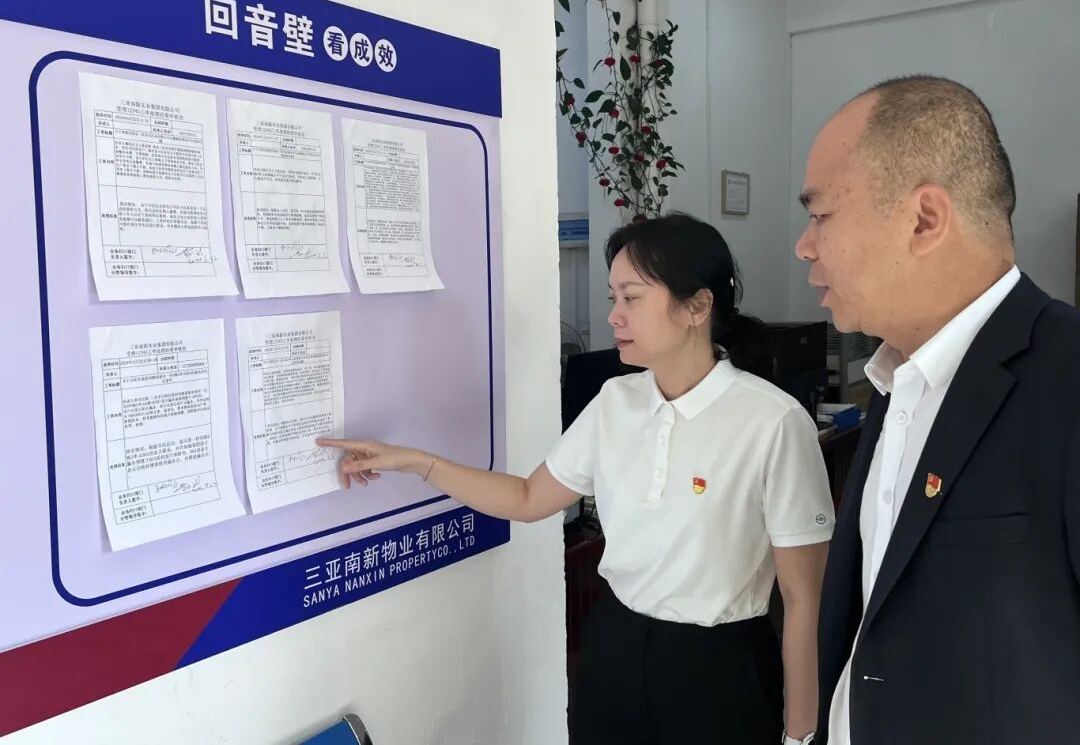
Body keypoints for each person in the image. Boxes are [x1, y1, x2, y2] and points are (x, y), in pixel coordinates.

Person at [320, 212, 834, 745]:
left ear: (696, 307)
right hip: (614, 650)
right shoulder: (616, 401)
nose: (614, 315)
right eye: (613, 297)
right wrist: (416, 462)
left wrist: (800, 736)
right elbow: (527, 497)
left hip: (718, 669)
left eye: (631, 298)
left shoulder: (773, 422)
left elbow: (803, 599)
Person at [795, 75, 1080, 744]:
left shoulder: (1067, 380)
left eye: (820, 214)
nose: (804, 245)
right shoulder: (897, 382)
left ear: (924, 219)